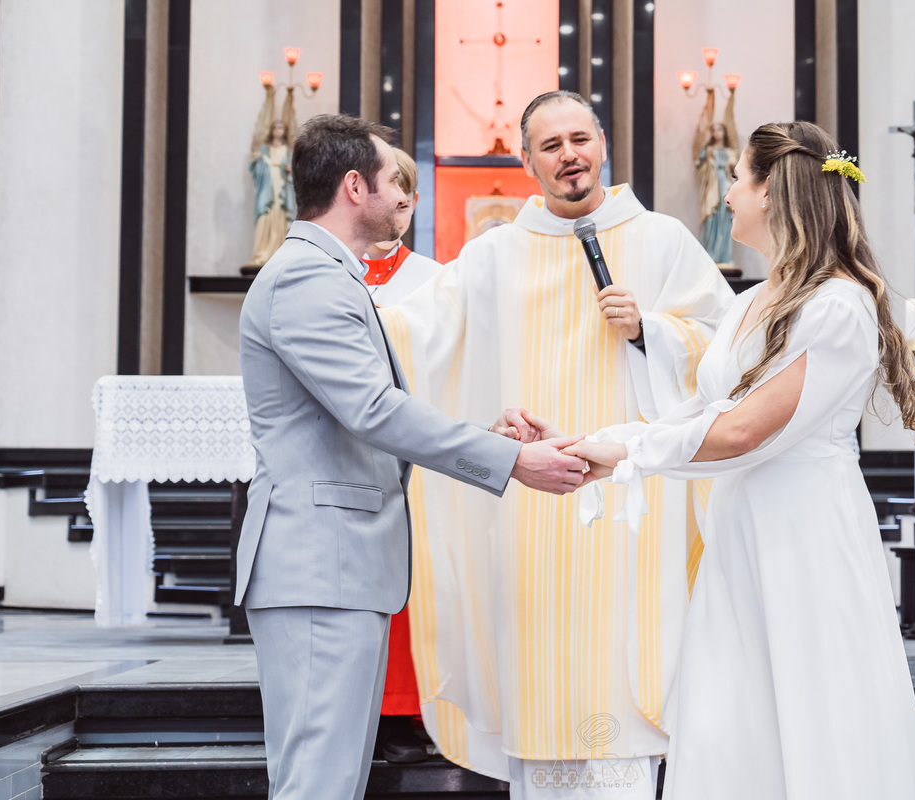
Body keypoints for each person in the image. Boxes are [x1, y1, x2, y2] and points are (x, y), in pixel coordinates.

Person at [565, 121, 915, 799]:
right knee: (729, 716)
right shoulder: (749, 301)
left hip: (803, 538)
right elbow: (700, 414)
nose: (727, 193)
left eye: (737, 177)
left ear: (773, 191)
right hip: (739, 534)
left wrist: (633, 453)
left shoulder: (838, 307)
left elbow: (742, 433)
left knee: (813, 713)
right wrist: (601, 445)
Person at [376, 91, 733, 798]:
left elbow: (726, 353)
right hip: (530, 503)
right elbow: (419, 338)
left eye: (580, 138)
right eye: (551, 145)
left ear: (603, 143)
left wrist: (652, 331)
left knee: (625, 673)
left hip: (637, 501)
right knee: (542, 667)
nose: (569, 155)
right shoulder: (496, 253)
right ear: (527, 161)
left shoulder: (661, 240)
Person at [236, 114, 588, 800]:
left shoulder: (327, 273)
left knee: (331, 778)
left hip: (337, 569)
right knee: (317, 782)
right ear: (354, 186)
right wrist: (509, 462)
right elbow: (374, 411)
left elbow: (367, 411)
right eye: (395, 180)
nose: (405, 194)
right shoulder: (307, 278)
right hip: (318, 569)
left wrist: (488, 432)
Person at [360, 146, 444, 764]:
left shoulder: (436, 281)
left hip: (414, 452)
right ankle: (366, 710)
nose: (403, 205)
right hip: (353, 455)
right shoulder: (332, 273)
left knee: (418, 583)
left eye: (411, 197)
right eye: (396, 192)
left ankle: (410, 710)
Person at [361, 147, 440, 307]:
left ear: (414, 203)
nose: (391, 220)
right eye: (381, 206)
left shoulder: (434, 277)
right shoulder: (335, 271)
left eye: (402, 206)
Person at [693, 88, 739, 267]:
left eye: (720, 128)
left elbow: (736, 171)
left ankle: (724, 256)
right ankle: (711, 254)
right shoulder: (708, 151)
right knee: (711, 220)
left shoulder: (730, 152)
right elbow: (699, 165)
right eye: (713, 129)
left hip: (726, 189)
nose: (716, 132)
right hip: (712, 188)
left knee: (726, 222)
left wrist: (730, 167)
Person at [248, 110, 297, 267]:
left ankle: (278, 253)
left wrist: (290, 170)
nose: (278, 131)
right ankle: (262, 253)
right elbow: (256, 168)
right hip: (267, 190)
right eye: (275, 127)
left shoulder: (288, 152)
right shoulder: (264, 151)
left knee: (281, 220)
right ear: (271, 131)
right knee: (265, 218)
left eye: (281, 127)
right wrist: (263, 162)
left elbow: (295, 172)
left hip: (282, 191)